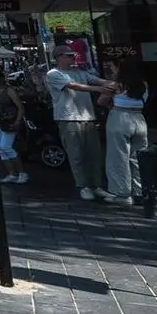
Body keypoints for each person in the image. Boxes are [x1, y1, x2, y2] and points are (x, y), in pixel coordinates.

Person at [47, 50, 117, 201]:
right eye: (69, 55)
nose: (73, 58)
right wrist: (98, 89)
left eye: (73, 55)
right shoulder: (53, 74)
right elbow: (73, 86)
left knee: (94, 153)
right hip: (68, 118)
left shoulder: (80, 72)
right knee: (76, 154)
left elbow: (97, 80)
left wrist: (113, 82)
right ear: (59, 57)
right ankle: (83, 185)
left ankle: (96, 185)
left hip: (88, 117)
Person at [104, 61, 151, 205]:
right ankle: (140, 191)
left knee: (118, 157)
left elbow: (102, 100)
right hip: (139, 119)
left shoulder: (116, 85)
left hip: (120, 118)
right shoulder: (143, 84)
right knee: (138, 157)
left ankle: (122, 193)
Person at [0, 67, 30, 185]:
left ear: (0, 78)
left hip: (10, 122)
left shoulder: (9, 90)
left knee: (5, 146)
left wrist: (17, 121)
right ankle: (12, 173)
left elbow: (20, 107)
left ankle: (22, 173)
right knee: (1, 149)